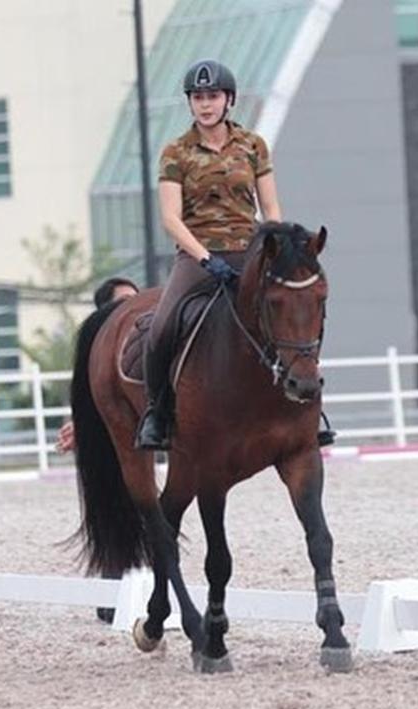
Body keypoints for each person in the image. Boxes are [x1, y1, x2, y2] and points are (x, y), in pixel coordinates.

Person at [134, 59, 281, 450]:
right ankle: (157, 412)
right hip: (198, 258)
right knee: (161, 327)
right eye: (198, 97)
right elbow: (170, 217)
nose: (205, 104)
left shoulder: (253, 145)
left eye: (212, 96)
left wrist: (271, 249)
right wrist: (204, 258)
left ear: (228, 99)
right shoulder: (176, 152)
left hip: (248, 252)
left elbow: (271, 209)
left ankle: (306, 407)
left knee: (292, 313)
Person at [55, 277, 140, 454]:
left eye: (136, 299)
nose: (135, 307)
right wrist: (81, 425)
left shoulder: (147, 346)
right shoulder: (96, 354)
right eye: (124, 302)